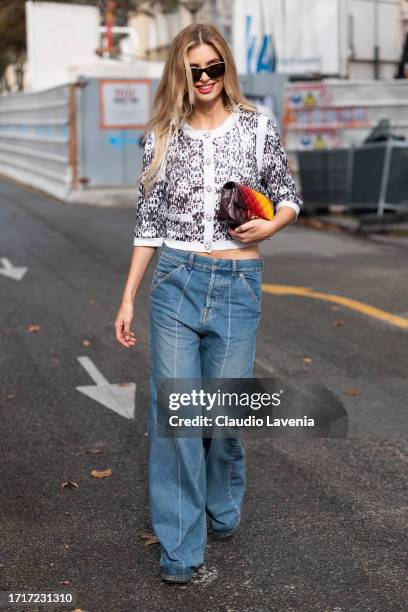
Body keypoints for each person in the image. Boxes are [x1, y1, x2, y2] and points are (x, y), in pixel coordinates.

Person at [115, 22, 302, 584]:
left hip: (237, 286)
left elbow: (287, 195)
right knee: (177, 418)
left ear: (226, 70)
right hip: (175, 281)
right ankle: (180, 547)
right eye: (194, 69)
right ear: (181, 72)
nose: (204, 78)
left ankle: (221, 501)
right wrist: (127, 297)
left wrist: (270, 222)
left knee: (221, 417)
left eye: (213, 68)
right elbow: (148, 223)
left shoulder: (255, 127)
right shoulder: (161, 137)